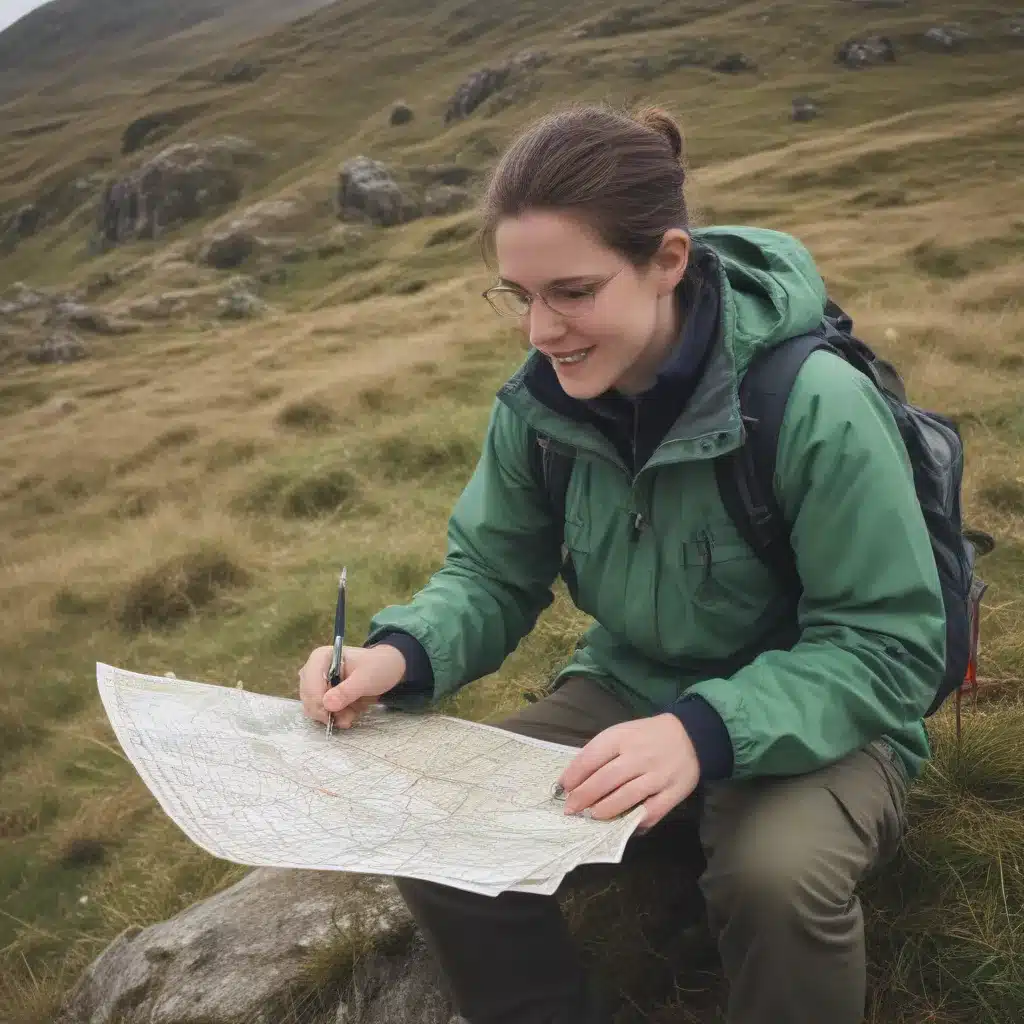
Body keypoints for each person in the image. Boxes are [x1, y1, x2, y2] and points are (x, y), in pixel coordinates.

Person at [297, 104, 946, 1024]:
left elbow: (889, 646)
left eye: (572, 291)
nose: (540, 331)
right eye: (519, 296)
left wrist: (700, 733)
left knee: (773, 880)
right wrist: (396, 656)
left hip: (825, 718)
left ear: (667, 262)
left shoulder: (811, 403)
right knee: (437, 827)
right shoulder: (538, 408)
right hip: (630, 689)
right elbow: (491, 573)